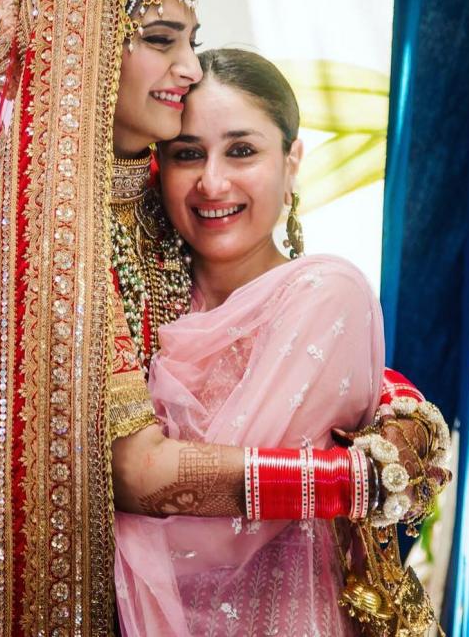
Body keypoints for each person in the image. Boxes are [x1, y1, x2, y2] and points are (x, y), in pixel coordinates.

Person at [0, 0, 446, 637]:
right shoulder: (53, 238)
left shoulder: (150, 203)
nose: (190, 69)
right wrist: (353, 480)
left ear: (293, 160)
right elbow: (140, 473)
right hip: (97, 585)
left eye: (191, 42)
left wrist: (396, 401)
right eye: (164, 41)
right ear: (91, 47)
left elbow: (276, 351)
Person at [114, 49, 450, 636]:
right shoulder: (138, 295)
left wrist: (85, 510)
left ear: (292, 160)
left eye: (242, 150)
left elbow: (213, 535)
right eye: (187, 154)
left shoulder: (326, 293)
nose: (212, 181)